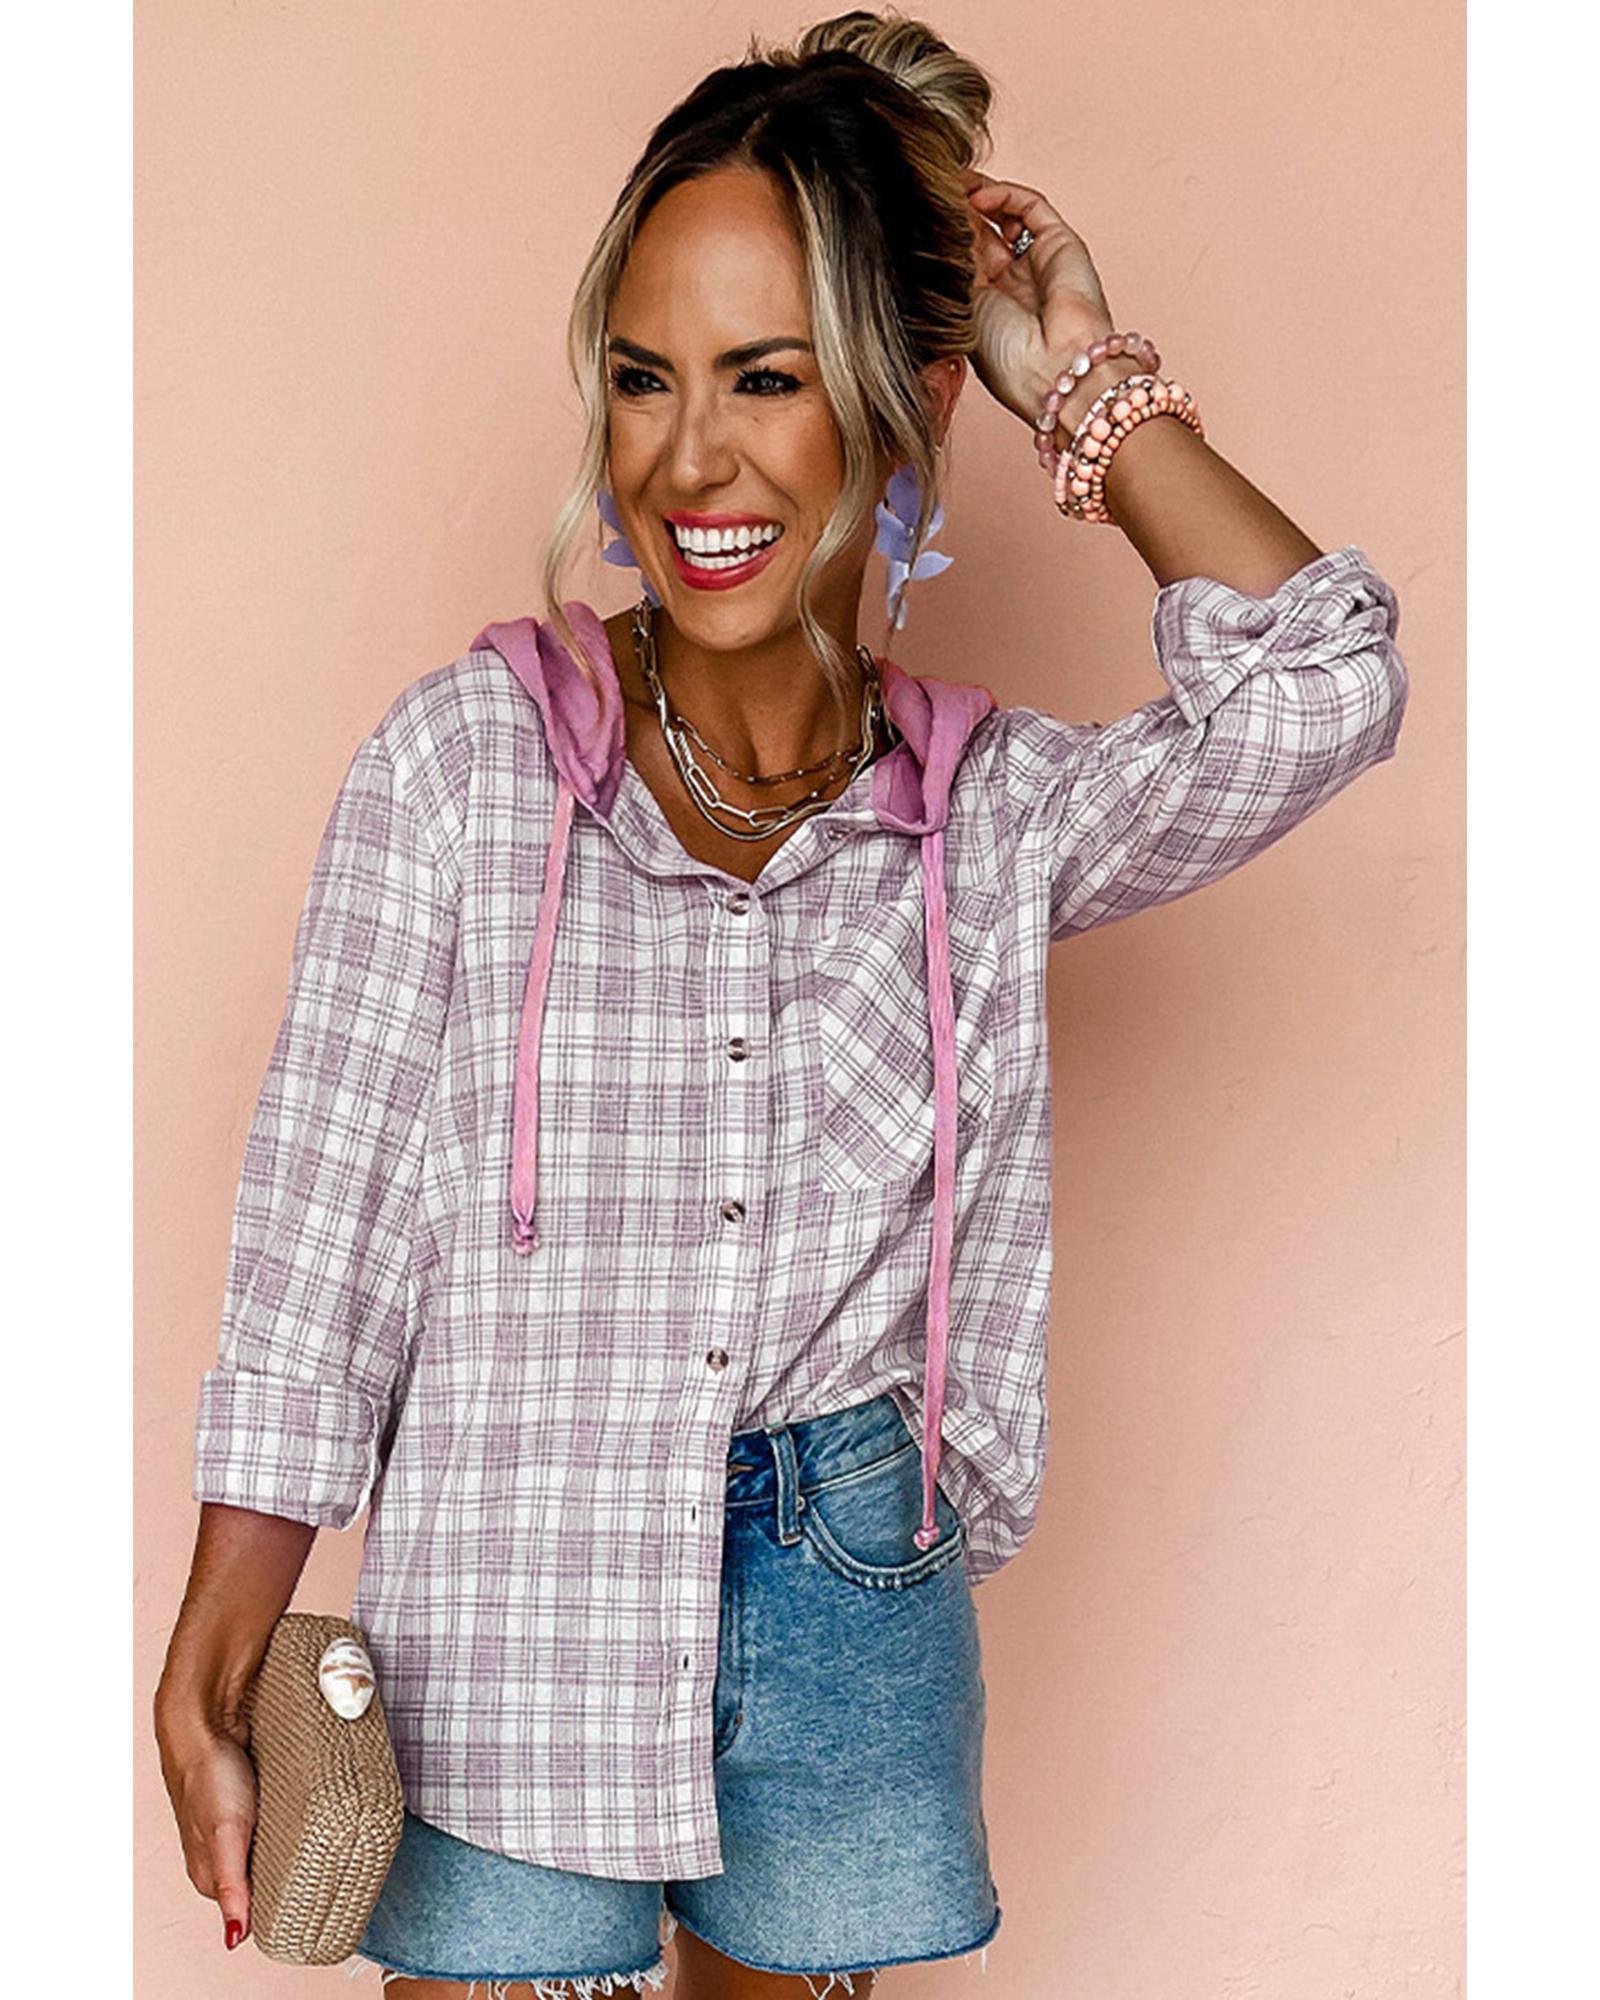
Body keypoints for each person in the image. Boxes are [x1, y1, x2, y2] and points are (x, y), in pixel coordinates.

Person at [153, 10, 1410, 1999]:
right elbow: (326, 1226)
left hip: (849, 1589)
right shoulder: (466, 766)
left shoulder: (986, 817)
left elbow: (1322, 693)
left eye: (768, 376)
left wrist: (1072, 384)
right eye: (642, 378)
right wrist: (228, 1609)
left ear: (899, 403)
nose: (689, 457)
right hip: (511, 1575)